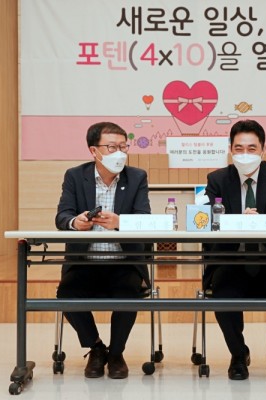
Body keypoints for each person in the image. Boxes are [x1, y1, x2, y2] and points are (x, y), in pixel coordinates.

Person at [203, 119, 266, 384]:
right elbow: (208, 220)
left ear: (263, 150)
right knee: (223, 295)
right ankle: (238, 355)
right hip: (232, 261)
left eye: (251, 148)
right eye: (239, 148)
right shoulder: (217, 179)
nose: (244, 154)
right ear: (230, 150)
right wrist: (239, 221)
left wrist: (260, 221)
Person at [55, 121, 151, 379]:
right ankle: (97, 348)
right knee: (67, 293)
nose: (119, 152)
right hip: (85, 262)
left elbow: (145, 218)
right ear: (93, 151)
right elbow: (62, 216)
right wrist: (76, 222)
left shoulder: (136, 177)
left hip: (123, 262)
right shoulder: (75, 176)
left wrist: (120, 222)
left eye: (123, 146)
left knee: (128, 293)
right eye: (111, 147)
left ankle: (116, 353)